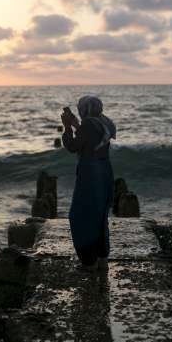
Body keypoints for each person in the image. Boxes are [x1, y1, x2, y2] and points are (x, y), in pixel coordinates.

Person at [61, 95, 116, 271]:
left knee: (81, 215)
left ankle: (88, 262)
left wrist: (68, 127)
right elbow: (91, 138)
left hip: (90, 173)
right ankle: (101, 259)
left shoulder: (88, 126)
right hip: (104, 170)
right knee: (99, 215)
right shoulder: (104, 122)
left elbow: (73, 146)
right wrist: (77, 124)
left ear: (84, 109)